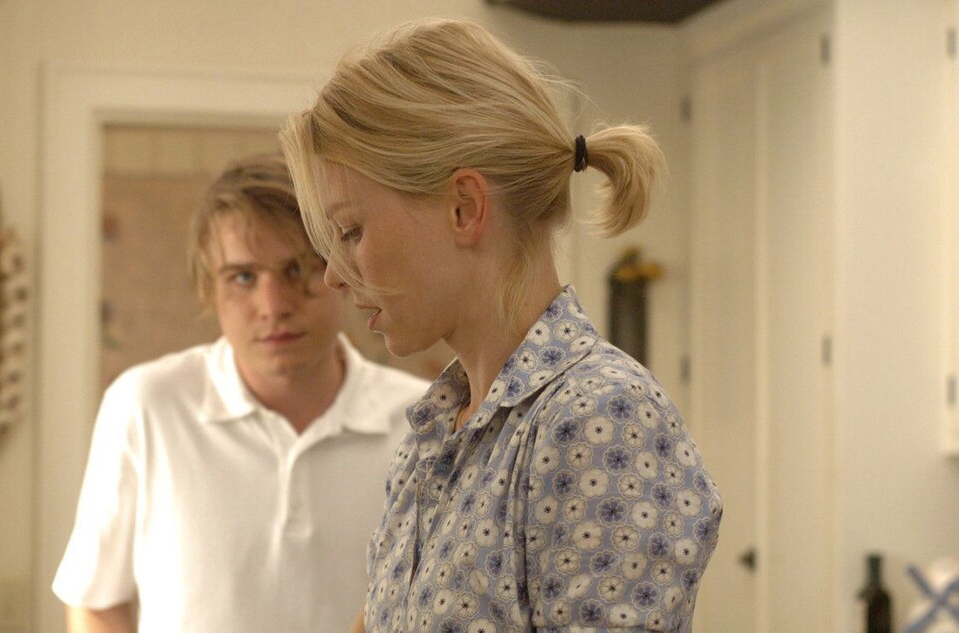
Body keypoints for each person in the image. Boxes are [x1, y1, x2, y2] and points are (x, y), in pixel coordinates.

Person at [279, 18, 723, 633]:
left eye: (352, 231)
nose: (333, 274)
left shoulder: (600, 420)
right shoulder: (440, 431)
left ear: (465, 208)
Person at [51, 152, 428, 633]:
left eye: (298, 270)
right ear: (210, 290)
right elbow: (96, 602)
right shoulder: (146, 405)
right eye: (243, 277)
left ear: (343, 272)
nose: (272, 306)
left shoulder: (423, 424)